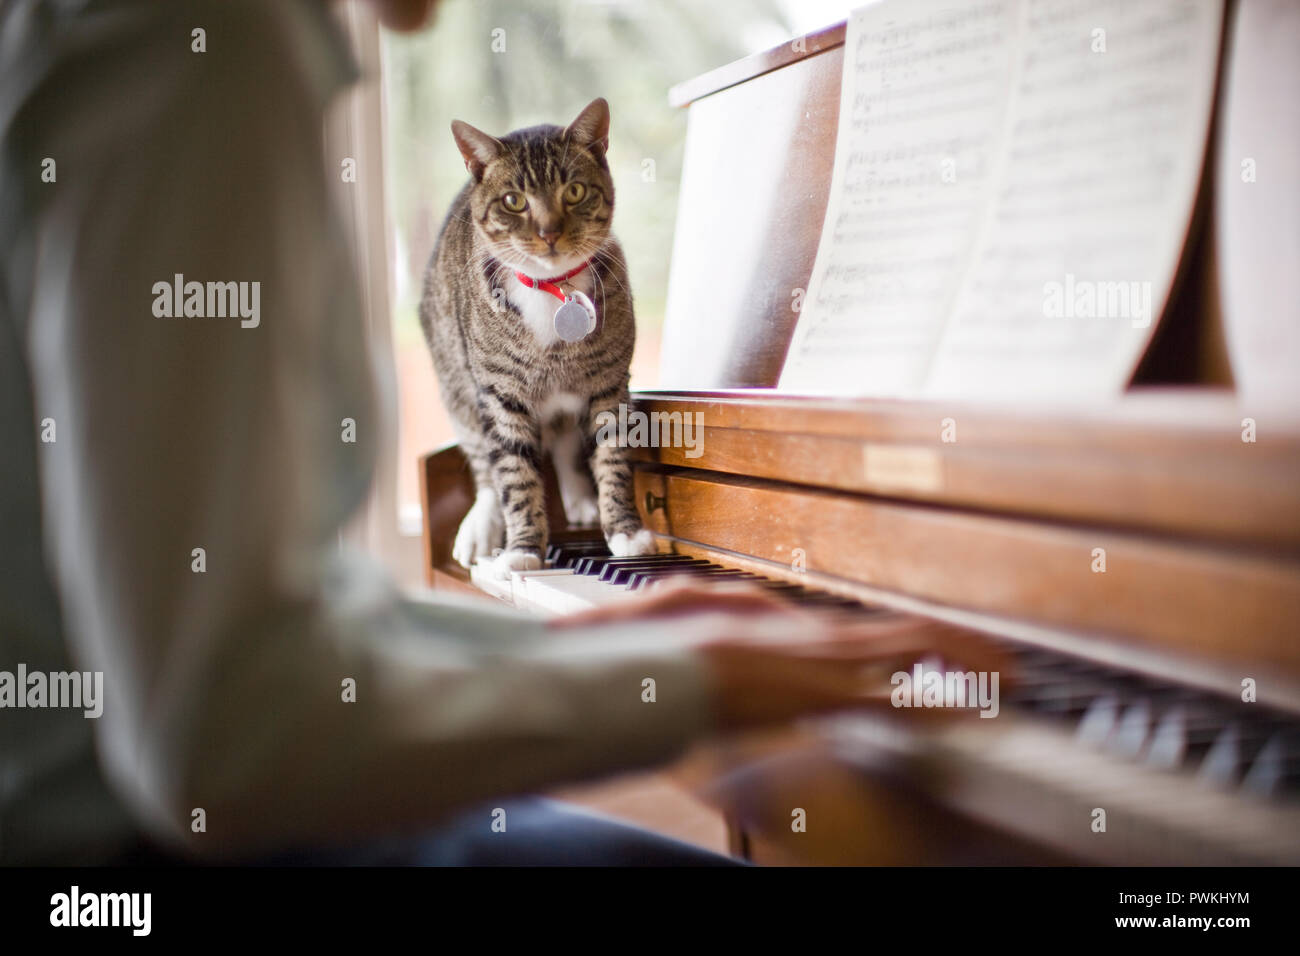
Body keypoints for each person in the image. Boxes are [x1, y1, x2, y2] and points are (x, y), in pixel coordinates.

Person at [0, 0, 991, 866]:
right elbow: (215, 739)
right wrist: (685, 678)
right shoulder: (203, 37)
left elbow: (249, 636)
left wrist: (608, 644)